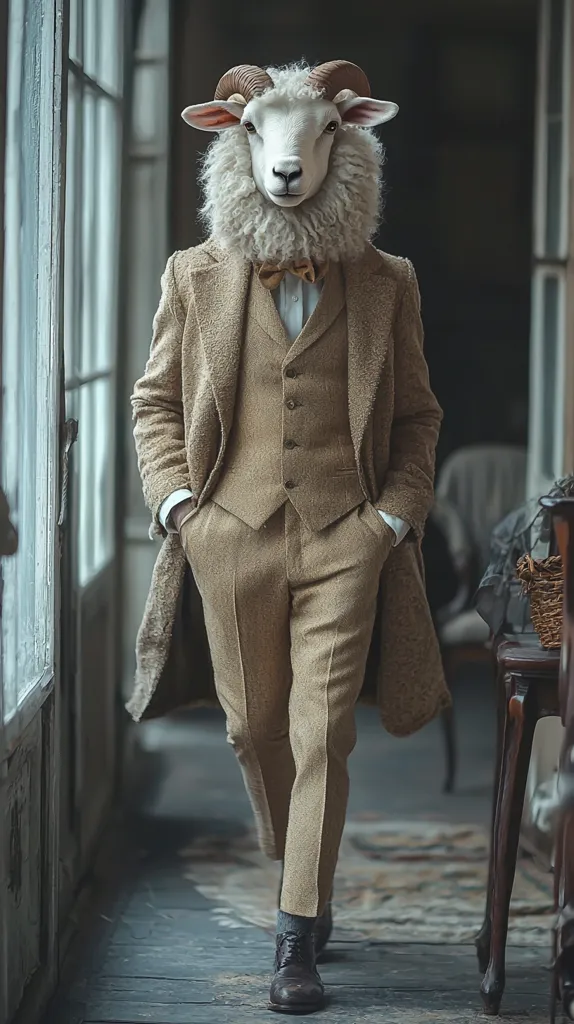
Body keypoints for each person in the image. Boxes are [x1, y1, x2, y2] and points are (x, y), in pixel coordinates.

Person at [128, 60, 448, 1014]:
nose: (288, 158)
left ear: (340, 141)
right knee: (252, 726)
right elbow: (153, 402)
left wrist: (392, 515)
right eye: (269, 134)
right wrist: (180, 504)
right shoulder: (194, 276)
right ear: (238, 136)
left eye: (311, 135)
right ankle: (291, 862)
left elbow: (419, 419)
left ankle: (294, 934)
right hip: (232, 534)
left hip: (347, 538)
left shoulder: (390, 283)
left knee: (321, 734)